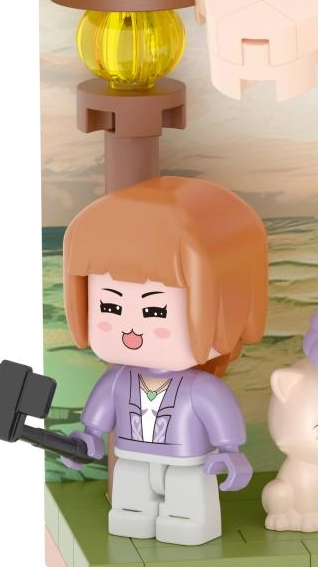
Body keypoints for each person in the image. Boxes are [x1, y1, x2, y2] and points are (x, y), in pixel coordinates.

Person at [62, 176, 266, 544]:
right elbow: (97, 420)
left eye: (154, 311)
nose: (130, 328)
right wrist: (88, 437)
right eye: (110, 306)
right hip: (131, 459)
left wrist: (230, 451)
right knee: (130, 507)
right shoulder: (118, 381)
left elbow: (222, 419)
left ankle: (187, 524)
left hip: (187, 463)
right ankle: (133, 517)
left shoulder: (200, 388)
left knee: (188, 509)